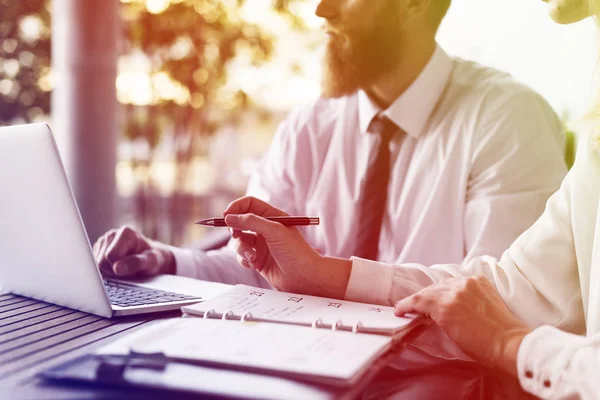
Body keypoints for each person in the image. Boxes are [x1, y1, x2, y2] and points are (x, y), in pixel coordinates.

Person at [223, 0, 600, 398]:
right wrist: (321, 274)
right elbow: (508, 289)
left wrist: (511, 345)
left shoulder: (506, 116)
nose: (321, 9)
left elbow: (498, 317)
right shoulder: (595, 149)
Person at [94, 0, 566, 289]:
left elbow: (497, 294)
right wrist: (166, 259)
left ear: (413, 4)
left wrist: (328, 277)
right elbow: (260, 268)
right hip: (306, 361)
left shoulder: (507, 119)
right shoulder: (310, 125)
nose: (321, 9)